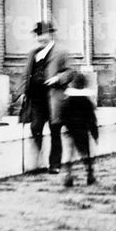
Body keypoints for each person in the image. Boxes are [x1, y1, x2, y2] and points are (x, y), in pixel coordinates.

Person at [19, 20, 72, 174]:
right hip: (35, 98)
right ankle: (37, 164)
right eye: (38, 35)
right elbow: (25, 75)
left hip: (53, 98)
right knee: (35, 128)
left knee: (55, 131)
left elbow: (70, 72)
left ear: (50, 34)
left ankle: (54, 164)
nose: (41, 38)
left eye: (43, 34)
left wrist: (57, 78)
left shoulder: (61, 52)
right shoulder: (33, 53)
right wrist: (23, 92)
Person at [61, 71, 99, 187]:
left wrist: (66, 127)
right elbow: (92, 119)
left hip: (71, 131)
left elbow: (63, 115)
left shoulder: (68, 101)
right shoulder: (87, 102)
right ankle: (90, 175)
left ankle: (68, 176)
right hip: (83, 131)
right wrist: (95, 133)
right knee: (86, 154)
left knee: (70, 155)